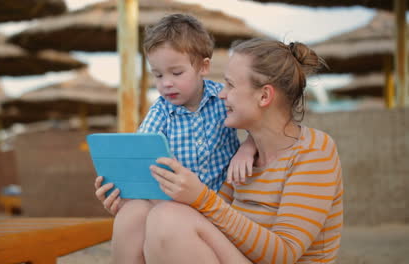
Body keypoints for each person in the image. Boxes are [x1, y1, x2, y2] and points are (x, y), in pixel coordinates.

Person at [98, 37, 344, 263]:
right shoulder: (243, 157)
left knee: (167, 219)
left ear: (264, 96)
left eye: (230, 85)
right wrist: (134, 196)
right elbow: (210, 221)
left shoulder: (314, 152)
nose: (222, 94)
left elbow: (284, 254)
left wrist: (200, 197)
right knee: (134, 215)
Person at [95, 13, 256, 263]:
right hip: (170, 205)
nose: (166, 84)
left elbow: (255, 125)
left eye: (176, 73)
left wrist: (248, 147)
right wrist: (121, 190)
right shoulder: (161, 112)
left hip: (217, 208)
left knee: (154, 215)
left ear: (203, 66)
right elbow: (139, 155)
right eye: (158, 75)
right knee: (131, 213)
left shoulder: (222, 98)